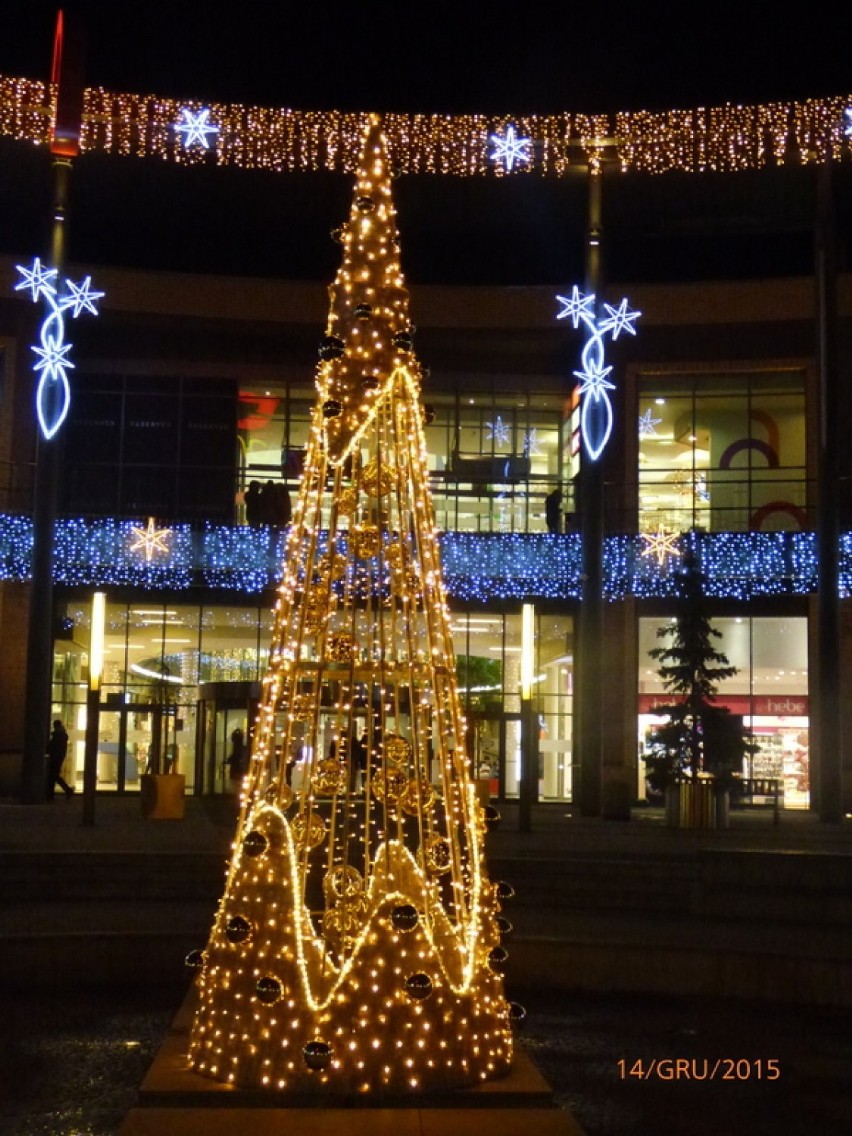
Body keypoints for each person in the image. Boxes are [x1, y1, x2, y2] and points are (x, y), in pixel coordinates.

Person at [46, 719, 74, 799]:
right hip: (59, 757)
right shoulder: (62, 735)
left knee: (53, 776)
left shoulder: (58, 735)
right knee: (54, 776)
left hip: (56, 757)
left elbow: (53, 746)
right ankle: (67, 790)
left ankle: (52, 795)